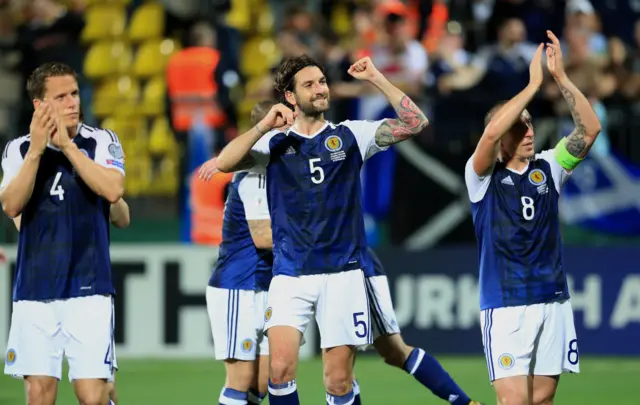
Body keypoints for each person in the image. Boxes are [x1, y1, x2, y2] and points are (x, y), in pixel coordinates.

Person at [213, 54, 429, 405]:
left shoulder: (351, 135)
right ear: (291, 97)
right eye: (309, 84)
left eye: (322, 82)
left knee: (338, 381)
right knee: (278, 370)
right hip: (290, 274)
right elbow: (224, 163)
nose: (320, 89)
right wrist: (263, 125)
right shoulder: (274, 144)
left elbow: (416, 122)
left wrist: (375, 77)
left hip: (342, 274)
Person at [464, 31, 601, 405]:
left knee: (541, 402)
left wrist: (560, 78)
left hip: (552, 301)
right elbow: (492, 130)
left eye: (529, 122)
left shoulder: (549, 167)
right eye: (518, 126)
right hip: (506, 305)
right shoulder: (481, 178)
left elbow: (589, 130)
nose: (528, 131)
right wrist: (532, 84)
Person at [1, 62, 126, 405]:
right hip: (34, 289)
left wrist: (68, 147)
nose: (73, 102)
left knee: (92, 396)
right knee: (39, 395)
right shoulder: (18, 150)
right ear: (40, 106)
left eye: (74, 93)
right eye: (61, 96)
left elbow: (113, 190)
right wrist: (39, 150)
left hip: (89, 288)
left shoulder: (100, 141)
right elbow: (11, 206)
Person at [12, 198, 129, 405]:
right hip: (41, 285)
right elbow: (18, 216)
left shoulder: (90, 169)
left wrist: (109, 195)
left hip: (88, 284)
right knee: (37, 396)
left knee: (98, 395)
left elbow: (123, 218)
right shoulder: (28, 170)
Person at [206, 100, 275, 405]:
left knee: (262, 384)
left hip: (266, 286)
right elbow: (263, 239)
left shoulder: (276, 174)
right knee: (239, 381)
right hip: (240, 285)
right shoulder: (255, 176)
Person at [355, 247, 484, 405]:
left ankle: (465, 403)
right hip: (317, 263)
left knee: (394, 352)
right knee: (338, 373)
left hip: (347, 261)